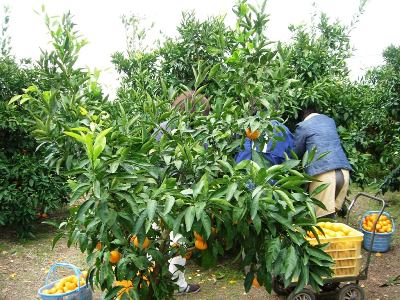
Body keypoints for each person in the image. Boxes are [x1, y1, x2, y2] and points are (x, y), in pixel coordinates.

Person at [154, 90, 209, 295]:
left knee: (157, 238)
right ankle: (177, 284)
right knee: (179, 241)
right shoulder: (196, 132)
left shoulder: (161, 127)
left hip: (156, 193)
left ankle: (154, 279)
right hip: (180, 196)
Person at [293, 106, 352, 218]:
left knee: (320, 222)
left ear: (303, 117)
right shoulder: (330, 122)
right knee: (331, 218)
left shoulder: (303, 126)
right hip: (344, 173)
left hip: (323, 175)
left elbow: (296, 154)